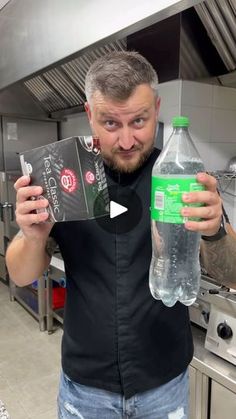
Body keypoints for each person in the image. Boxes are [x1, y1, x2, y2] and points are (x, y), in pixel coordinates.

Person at [6, 51, 236, 419]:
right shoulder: (66, 179)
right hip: (85, 390)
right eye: (110, 123)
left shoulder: (180, 177)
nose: (127, 140)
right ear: (89, 113)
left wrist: (213, 233)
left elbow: (233, 274)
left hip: (164, 384)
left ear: (157, 108)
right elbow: (20, 275)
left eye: (139, 121)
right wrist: (32, 236)